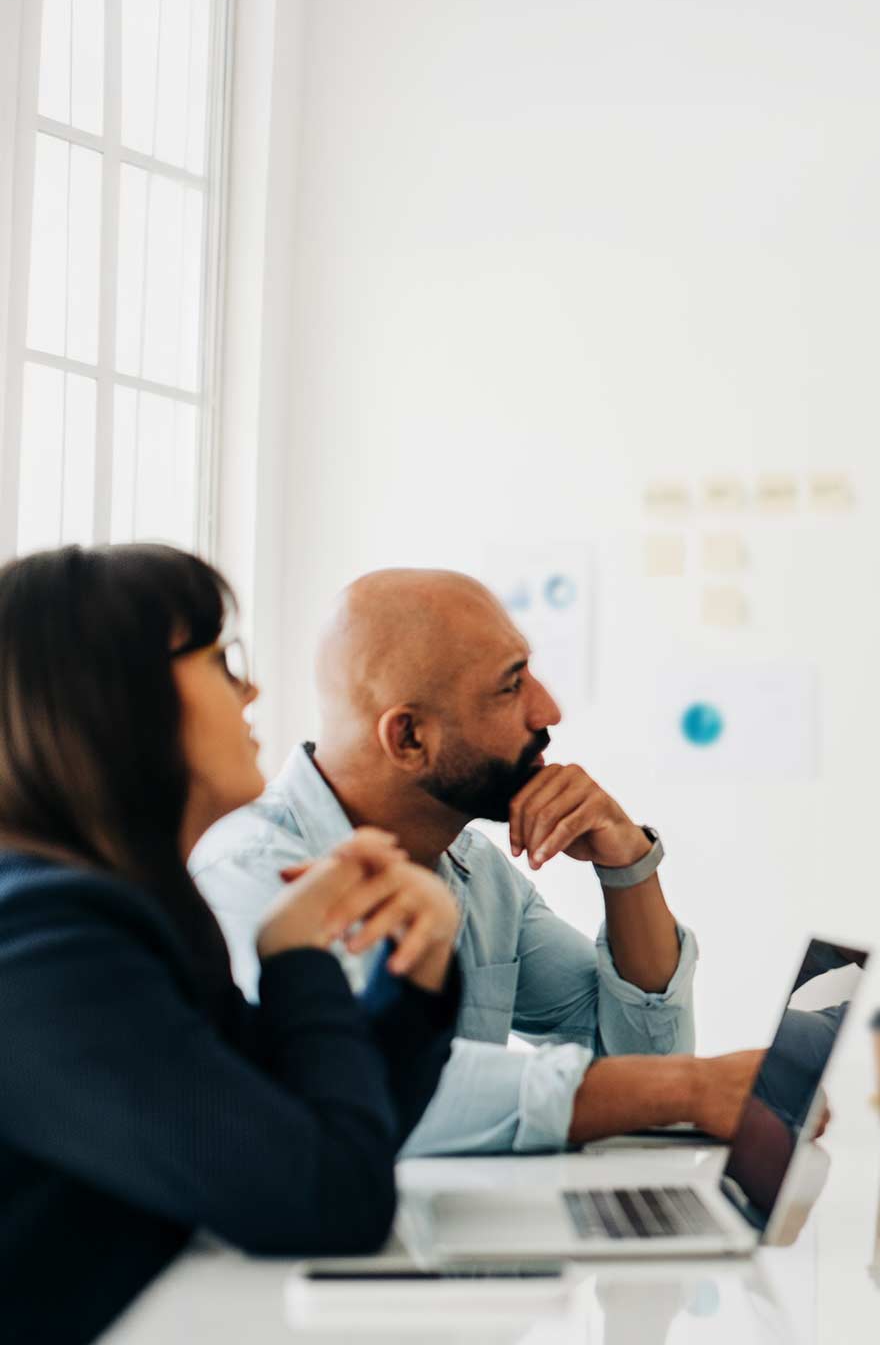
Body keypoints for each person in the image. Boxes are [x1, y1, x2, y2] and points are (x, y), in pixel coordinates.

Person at [0, 546, 461, 1344]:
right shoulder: (44, 950)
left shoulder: (124, 916)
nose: (252, 689)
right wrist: (297, 956)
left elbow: (315, 1128)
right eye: (221, 660)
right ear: (119, 696)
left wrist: (411, 982)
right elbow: (331, 1202)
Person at [194, 569, 758, 1155]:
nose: (549, 710)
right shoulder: (250, 873)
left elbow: (642, 1064)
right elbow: (377, 1090)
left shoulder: (474, 869)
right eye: (511, 686)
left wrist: (629, 867)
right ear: (409, 738)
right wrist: (693, 1088)